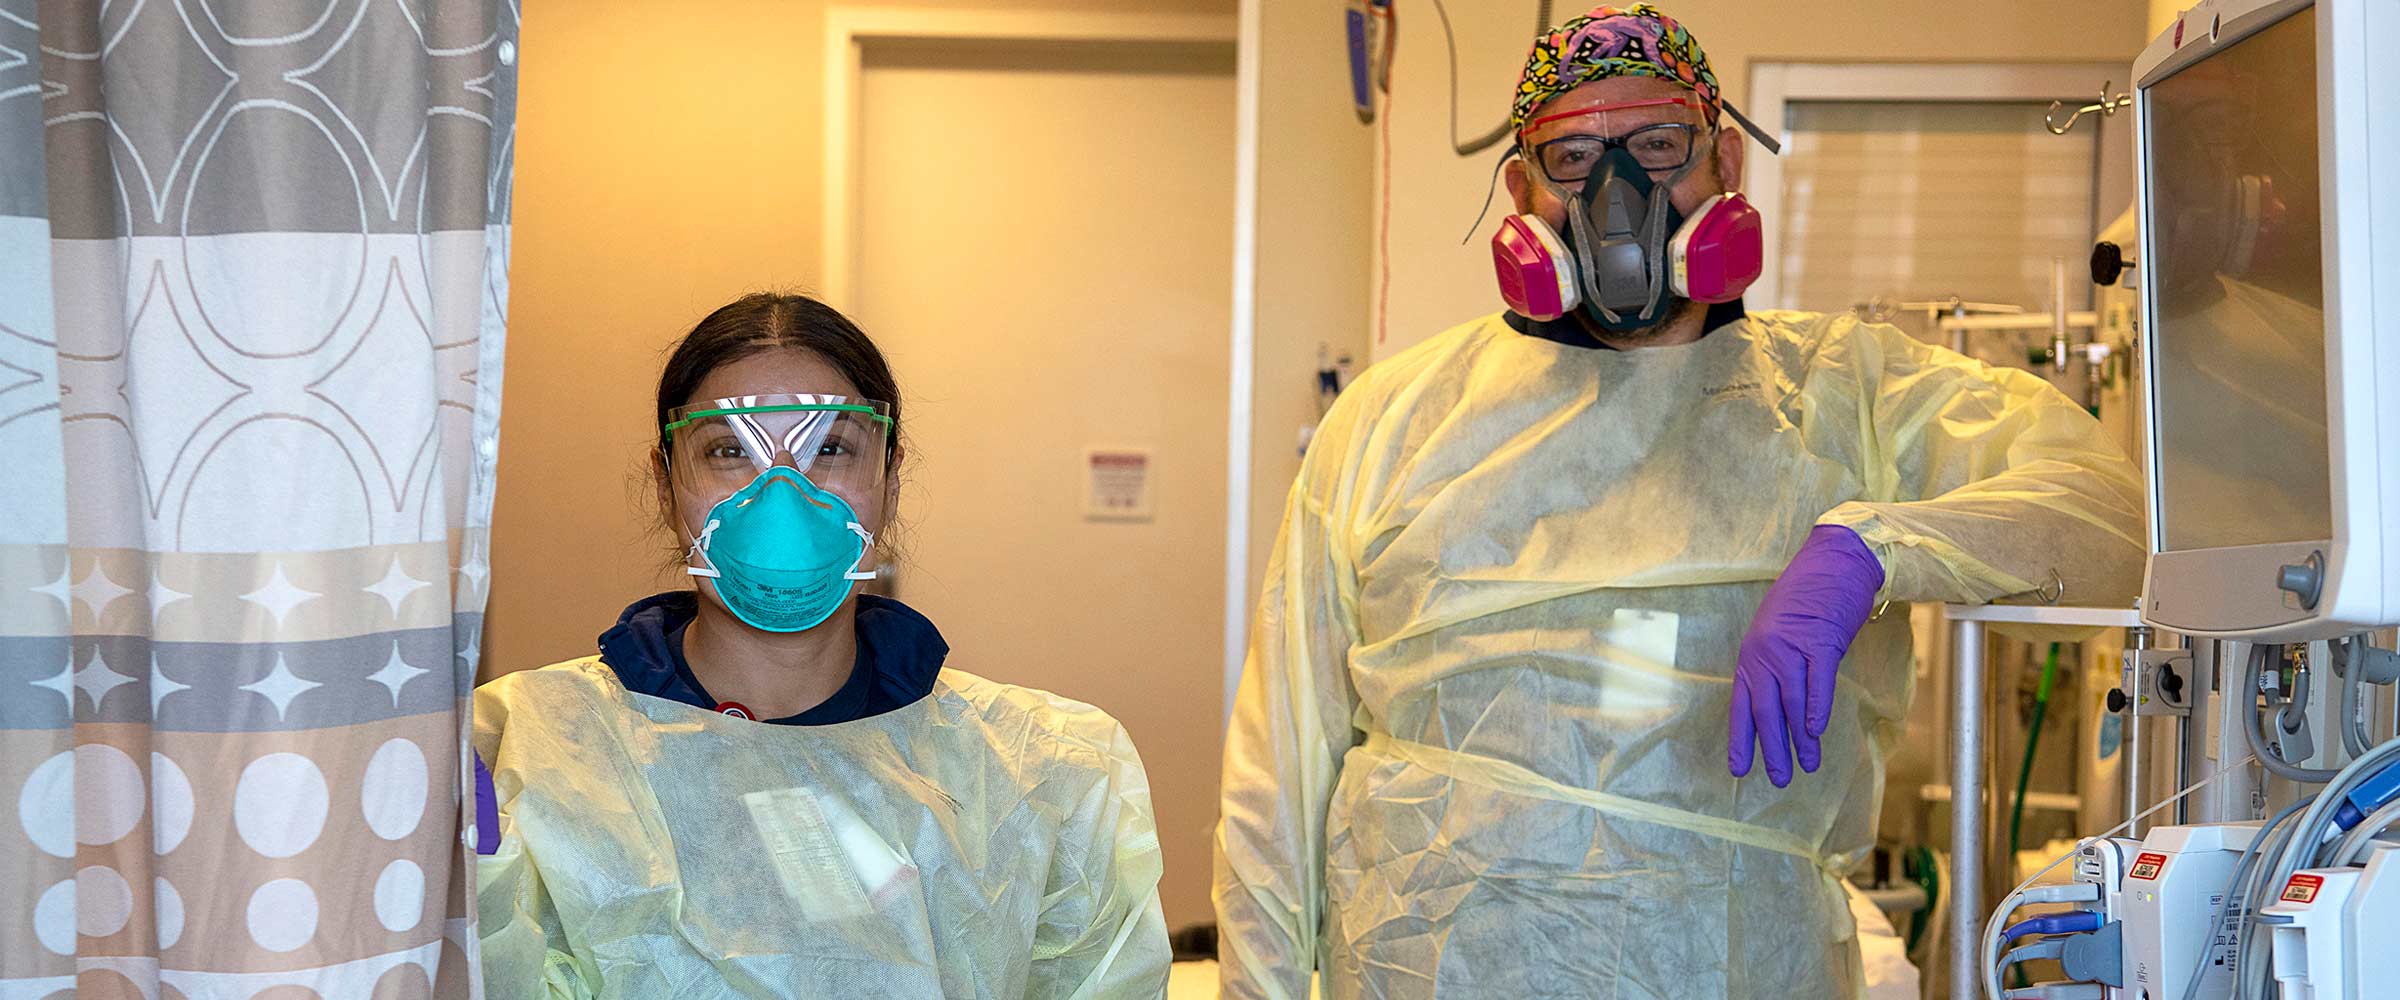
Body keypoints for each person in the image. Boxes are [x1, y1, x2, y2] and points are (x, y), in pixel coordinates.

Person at [1210, 5, 2146, 997]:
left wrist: (1874, 545)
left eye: (1658, 142)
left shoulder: (1847, 392)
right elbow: (1278, 777)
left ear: (1726, 166)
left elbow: (2112, 517)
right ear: (1522, 189)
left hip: (1739, 965)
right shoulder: (1393, 420)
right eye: (1571, 158)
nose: (1620, 193)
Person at [474, 293, 1172, 998]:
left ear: (890, 480)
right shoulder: (526, 750)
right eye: (727, 451)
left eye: (830, 448)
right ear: (666, 483)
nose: (782, 493)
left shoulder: (1045, 770)